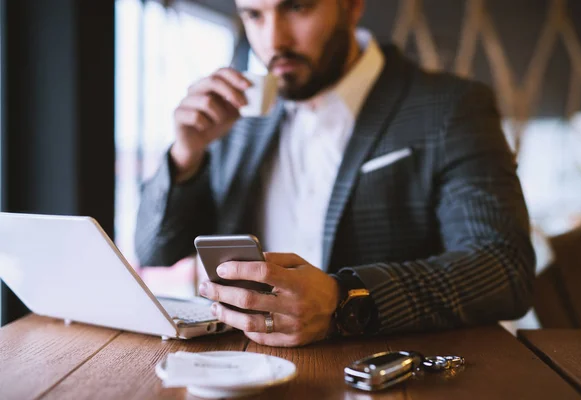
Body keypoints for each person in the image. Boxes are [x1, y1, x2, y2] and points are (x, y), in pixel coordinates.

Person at [135, 0, 535, 347]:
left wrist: (345, 299)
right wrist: (185, 154)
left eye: (297, 7)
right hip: (243, 370)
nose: (274, 41)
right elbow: (155, 250)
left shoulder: (450, 108)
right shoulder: (235, 119)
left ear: (352, 5)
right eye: (254, 15)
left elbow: (503, 269)